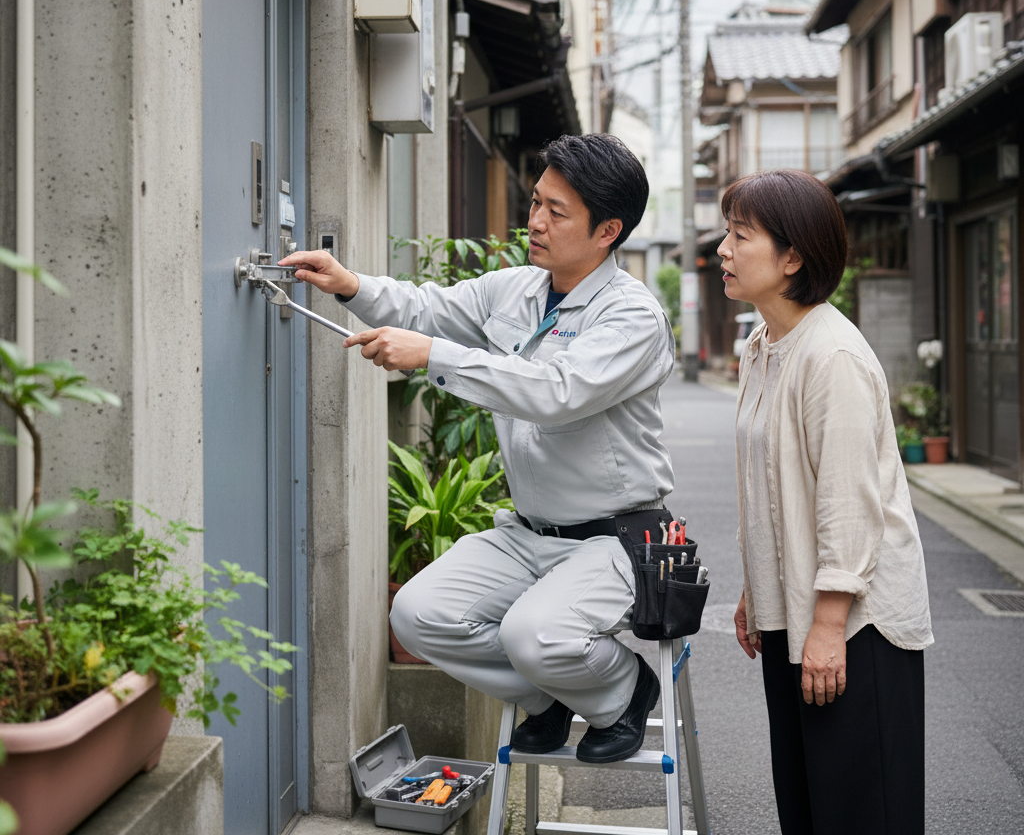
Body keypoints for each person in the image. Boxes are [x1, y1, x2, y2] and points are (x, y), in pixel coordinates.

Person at [280, 134, 677, 763]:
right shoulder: (519, 288)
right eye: (536, 203)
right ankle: (548, 700)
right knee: (417, 614)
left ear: (608, 231)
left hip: (616, 539)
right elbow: (429, 308)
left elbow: (556, 391)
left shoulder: (631, 317)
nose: (536, 222)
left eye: (557, 211)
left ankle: (623, 690)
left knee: (533, 634)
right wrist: (348, 285)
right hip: (528, 534)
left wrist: (434, 357)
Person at [718, 169, 933, 835]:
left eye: (739, 235)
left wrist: (828, 624)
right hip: (801, 615)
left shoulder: (831, 355)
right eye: (726, 233)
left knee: (861, 811)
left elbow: (848, 503)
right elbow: (771, 487)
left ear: (792, 257)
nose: (722, 250)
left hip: (854, 625)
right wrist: (760, 589)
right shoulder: (765, 347)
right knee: (809, 806)